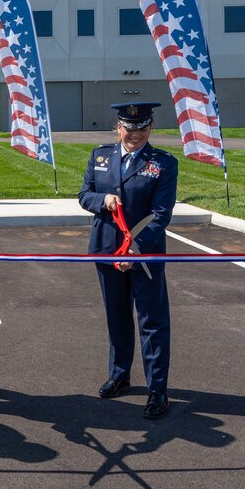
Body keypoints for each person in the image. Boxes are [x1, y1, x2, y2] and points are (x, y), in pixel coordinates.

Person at [78, 102, 178, 419]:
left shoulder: (162, 163)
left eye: (142, 128)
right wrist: (102, 200)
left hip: (143, 256)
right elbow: (84, 195)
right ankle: (120, 375)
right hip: (107, 252)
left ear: (151, 127)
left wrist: (133, 251)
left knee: (152, 323)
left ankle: (157, 390)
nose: (135, 134)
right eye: (129, 127)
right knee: (117, 318)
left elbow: (160, 215)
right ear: (118, 127)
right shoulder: (100, 156)